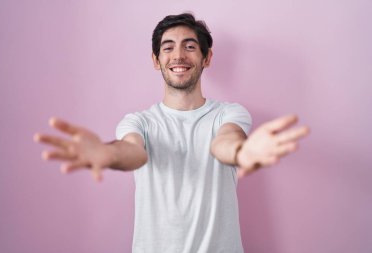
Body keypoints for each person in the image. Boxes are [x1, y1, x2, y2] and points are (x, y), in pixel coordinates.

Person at [34, 13, 309, 253]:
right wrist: (106, 153)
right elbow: (133, 152)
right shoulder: (139, 122)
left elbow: (223, 143)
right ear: (156, 60)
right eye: (168, 48)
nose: (178, 56)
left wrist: (242, 152)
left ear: (207, 57)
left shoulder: (229, 114)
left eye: (190, 46)